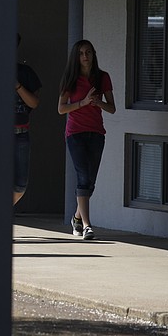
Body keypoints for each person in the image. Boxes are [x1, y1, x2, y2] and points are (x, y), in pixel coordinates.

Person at [0, 31, 41, 207]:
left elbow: (33, 103)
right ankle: (0, 218)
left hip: (21, 134)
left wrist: (16, 85)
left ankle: (1, 211)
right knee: (1, 180)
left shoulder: (25, 72)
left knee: (20, 185)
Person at [57, 39, 116, 241]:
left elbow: (112, 108)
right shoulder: (70, 79)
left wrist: (97, 101)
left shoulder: (102, 77)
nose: (85, 56)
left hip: (96, 133)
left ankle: (76, 217)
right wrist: (82, 103)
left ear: (93, 54)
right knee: (83, 177)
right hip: (75, 133)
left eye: (88, 52)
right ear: (76, 57)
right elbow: (61, 108)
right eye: (81, 53)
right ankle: (88, 225)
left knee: (90, 181)